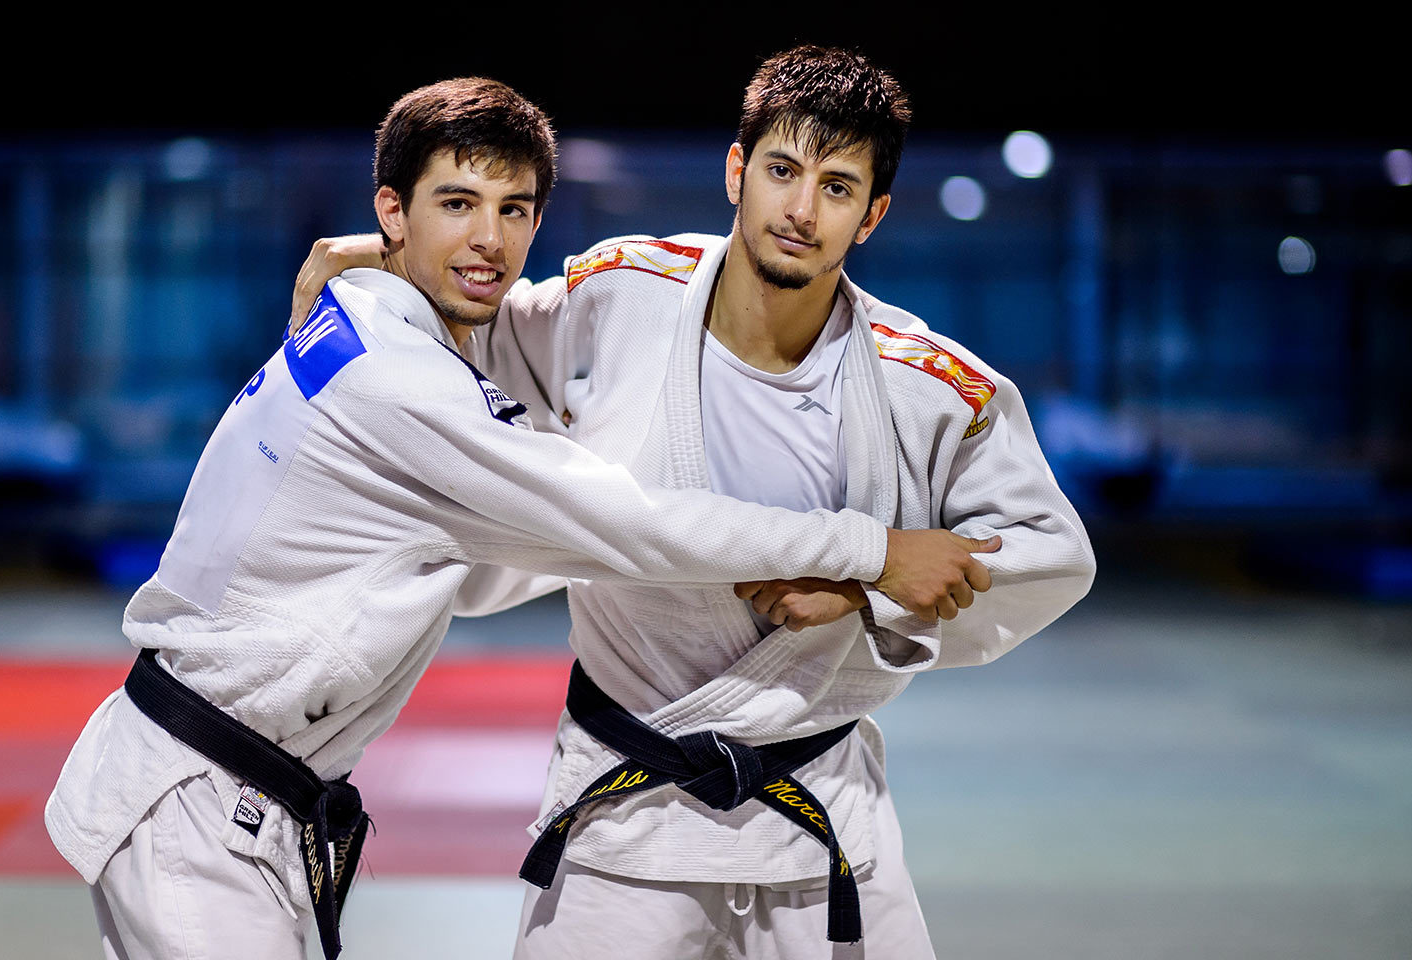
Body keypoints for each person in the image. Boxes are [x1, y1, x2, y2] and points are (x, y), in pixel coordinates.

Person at [50, 76, 998, 960]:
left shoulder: (363, 328)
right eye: (456, 204)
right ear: (394, 212)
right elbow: (625, 526)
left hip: (228, 791)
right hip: (201, 799)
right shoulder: (401, 382)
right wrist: (873, 552)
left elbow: (523, 556)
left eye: (514, 212)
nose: (489, 242)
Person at [289, 48, 1096, 959]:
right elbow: (479, 326)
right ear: (735, 172)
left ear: (872, 216)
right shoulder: (626, 290)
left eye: (837, 188)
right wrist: (392, 258)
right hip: (626, 814)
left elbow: (1053, 551)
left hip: (821, 812)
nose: (800, 210)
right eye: (782, 171)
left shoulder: (932, 385)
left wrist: (865, 593)